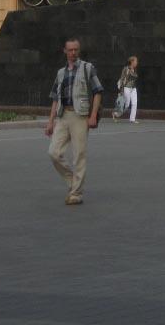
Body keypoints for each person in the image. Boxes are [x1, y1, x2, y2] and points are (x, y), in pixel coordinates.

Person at [45, 38, 103, 205]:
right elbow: (55, 98)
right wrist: (51, 121)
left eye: (76, 49)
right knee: (53, 152)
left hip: (80, 116)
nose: (73, 53)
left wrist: (92, 116)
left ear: (79, 50)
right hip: (63, 116)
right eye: (70, 50)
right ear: (64, 51)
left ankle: (76, 194)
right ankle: (72, 182)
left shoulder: (87, 68)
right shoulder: (60, 73)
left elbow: (98, 91)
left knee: (79, 155)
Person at [115, 55, 139, 124]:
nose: (137, 62)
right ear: (132, 61)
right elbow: (122, 79)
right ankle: (116, 114)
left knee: (134, 103)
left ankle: (132, 119)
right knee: (127, 104)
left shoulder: (135, 69)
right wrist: (121, 90)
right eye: (136, 61)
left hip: (133, 88)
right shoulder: (126, 69)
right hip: (127, 88)